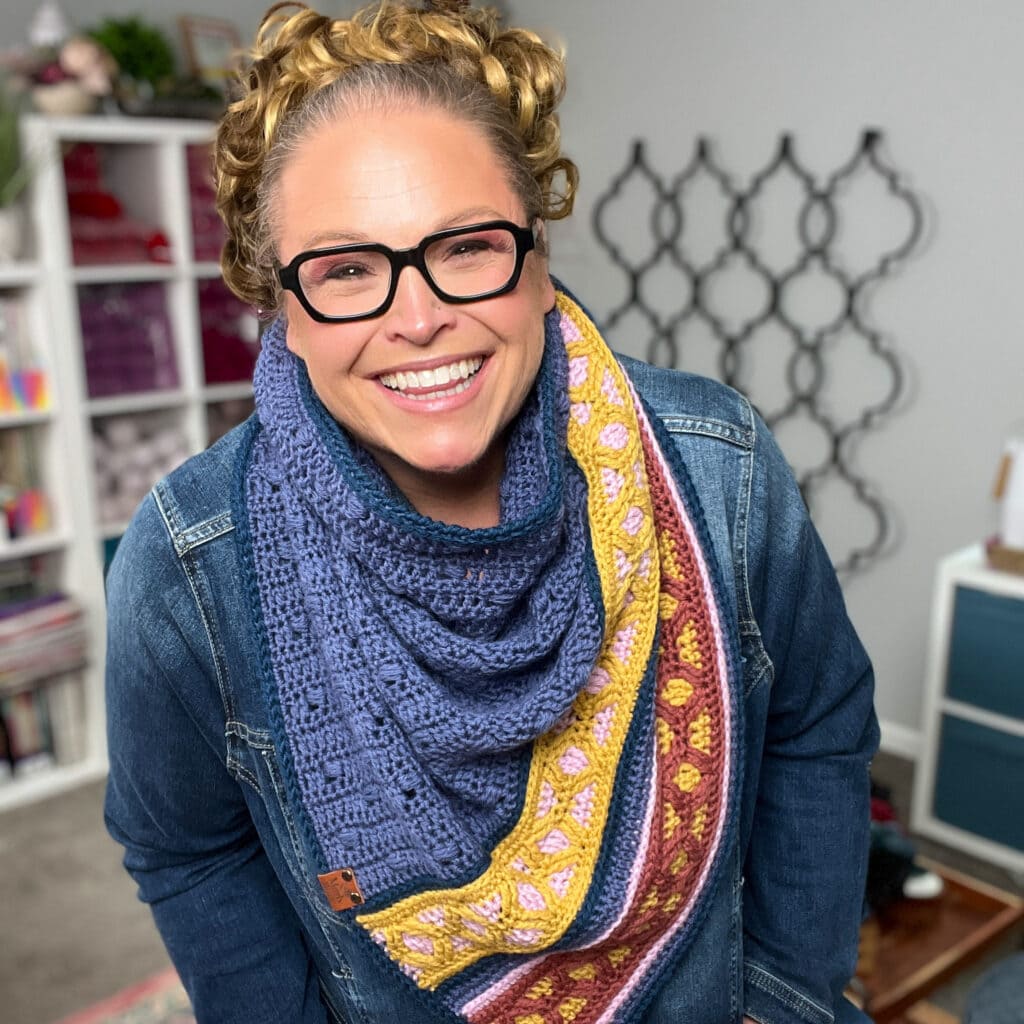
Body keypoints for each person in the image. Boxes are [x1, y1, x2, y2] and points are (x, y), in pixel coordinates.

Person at [103, 2, 880, 1022]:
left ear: (537, 257)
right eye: (347, 269)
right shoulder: (188, 567)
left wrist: (783, 1001)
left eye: (466, 247)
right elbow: (189, 847)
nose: (419, 318)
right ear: (282, 307)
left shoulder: (718, 468)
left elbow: (817, 725)